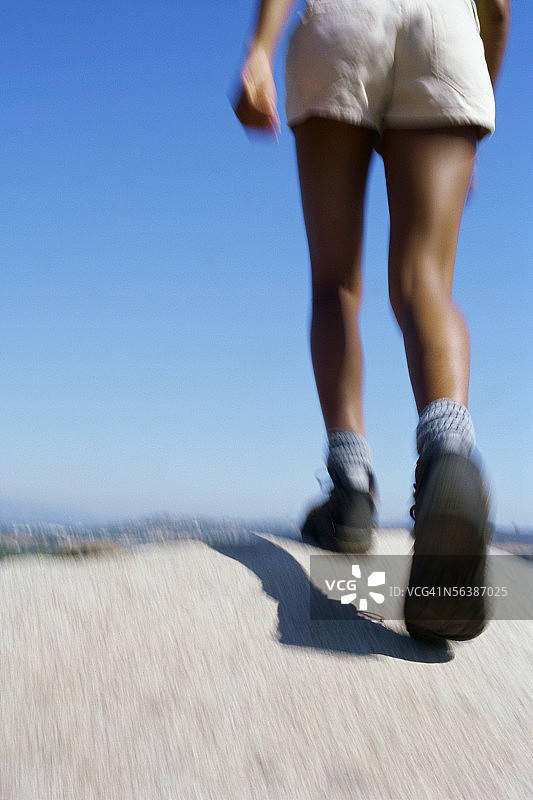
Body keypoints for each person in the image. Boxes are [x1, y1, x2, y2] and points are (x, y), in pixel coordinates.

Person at [233, 0, 510, 641]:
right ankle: (447, 451)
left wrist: (259, 49)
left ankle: (351, 486)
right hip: (447, 34)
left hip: (343, 24)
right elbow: (495, 8)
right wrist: (476, 86)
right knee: (426, 281)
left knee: (335, 284)